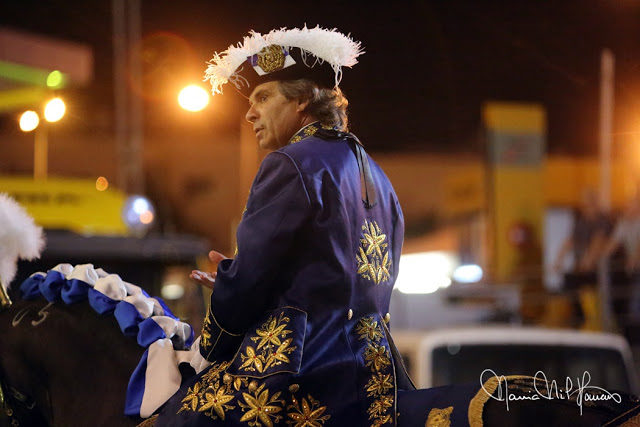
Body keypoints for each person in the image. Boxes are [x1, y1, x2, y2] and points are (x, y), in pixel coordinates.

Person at [154, 26, 413, 425]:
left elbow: (249, 283)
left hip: (305, 372)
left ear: (303, 99)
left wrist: (228, 288)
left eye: (263, 97)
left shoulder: (290, 162)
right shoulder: (378, 175)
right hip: (376, 374)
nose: (249, 113)